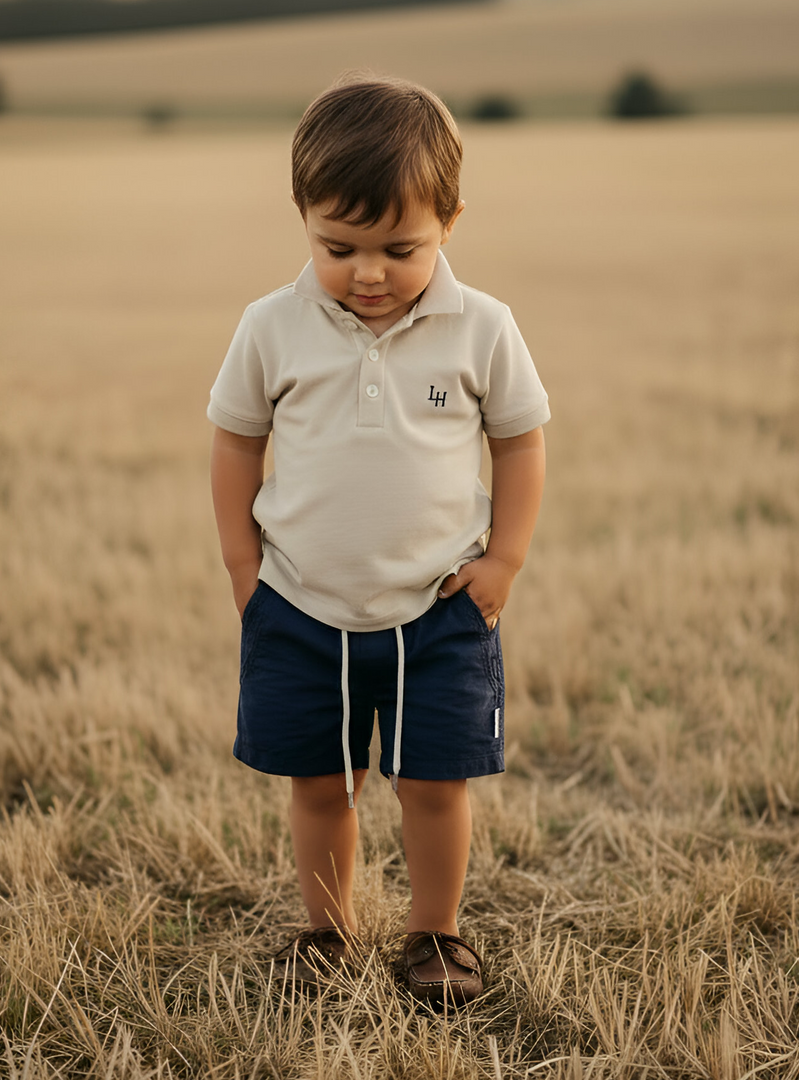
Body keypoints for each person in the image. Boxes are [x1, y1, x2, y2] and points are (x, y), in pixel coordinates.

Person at [208, 73, 549, 1006]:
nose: (367, 272)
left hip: (439, 611)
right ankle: (327, 934)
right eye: (338, 246)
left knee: (434, 788)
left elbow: (518, 442)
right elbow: (238, 441)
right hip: (301, 606)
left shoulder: (481, 328)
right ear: (303, 220)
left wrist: (504, 559)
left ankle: (436, 936)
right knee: (323, 785)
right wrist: (245, 568)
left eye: (400, 249)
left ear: (451, 221)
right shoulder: (270, 328)